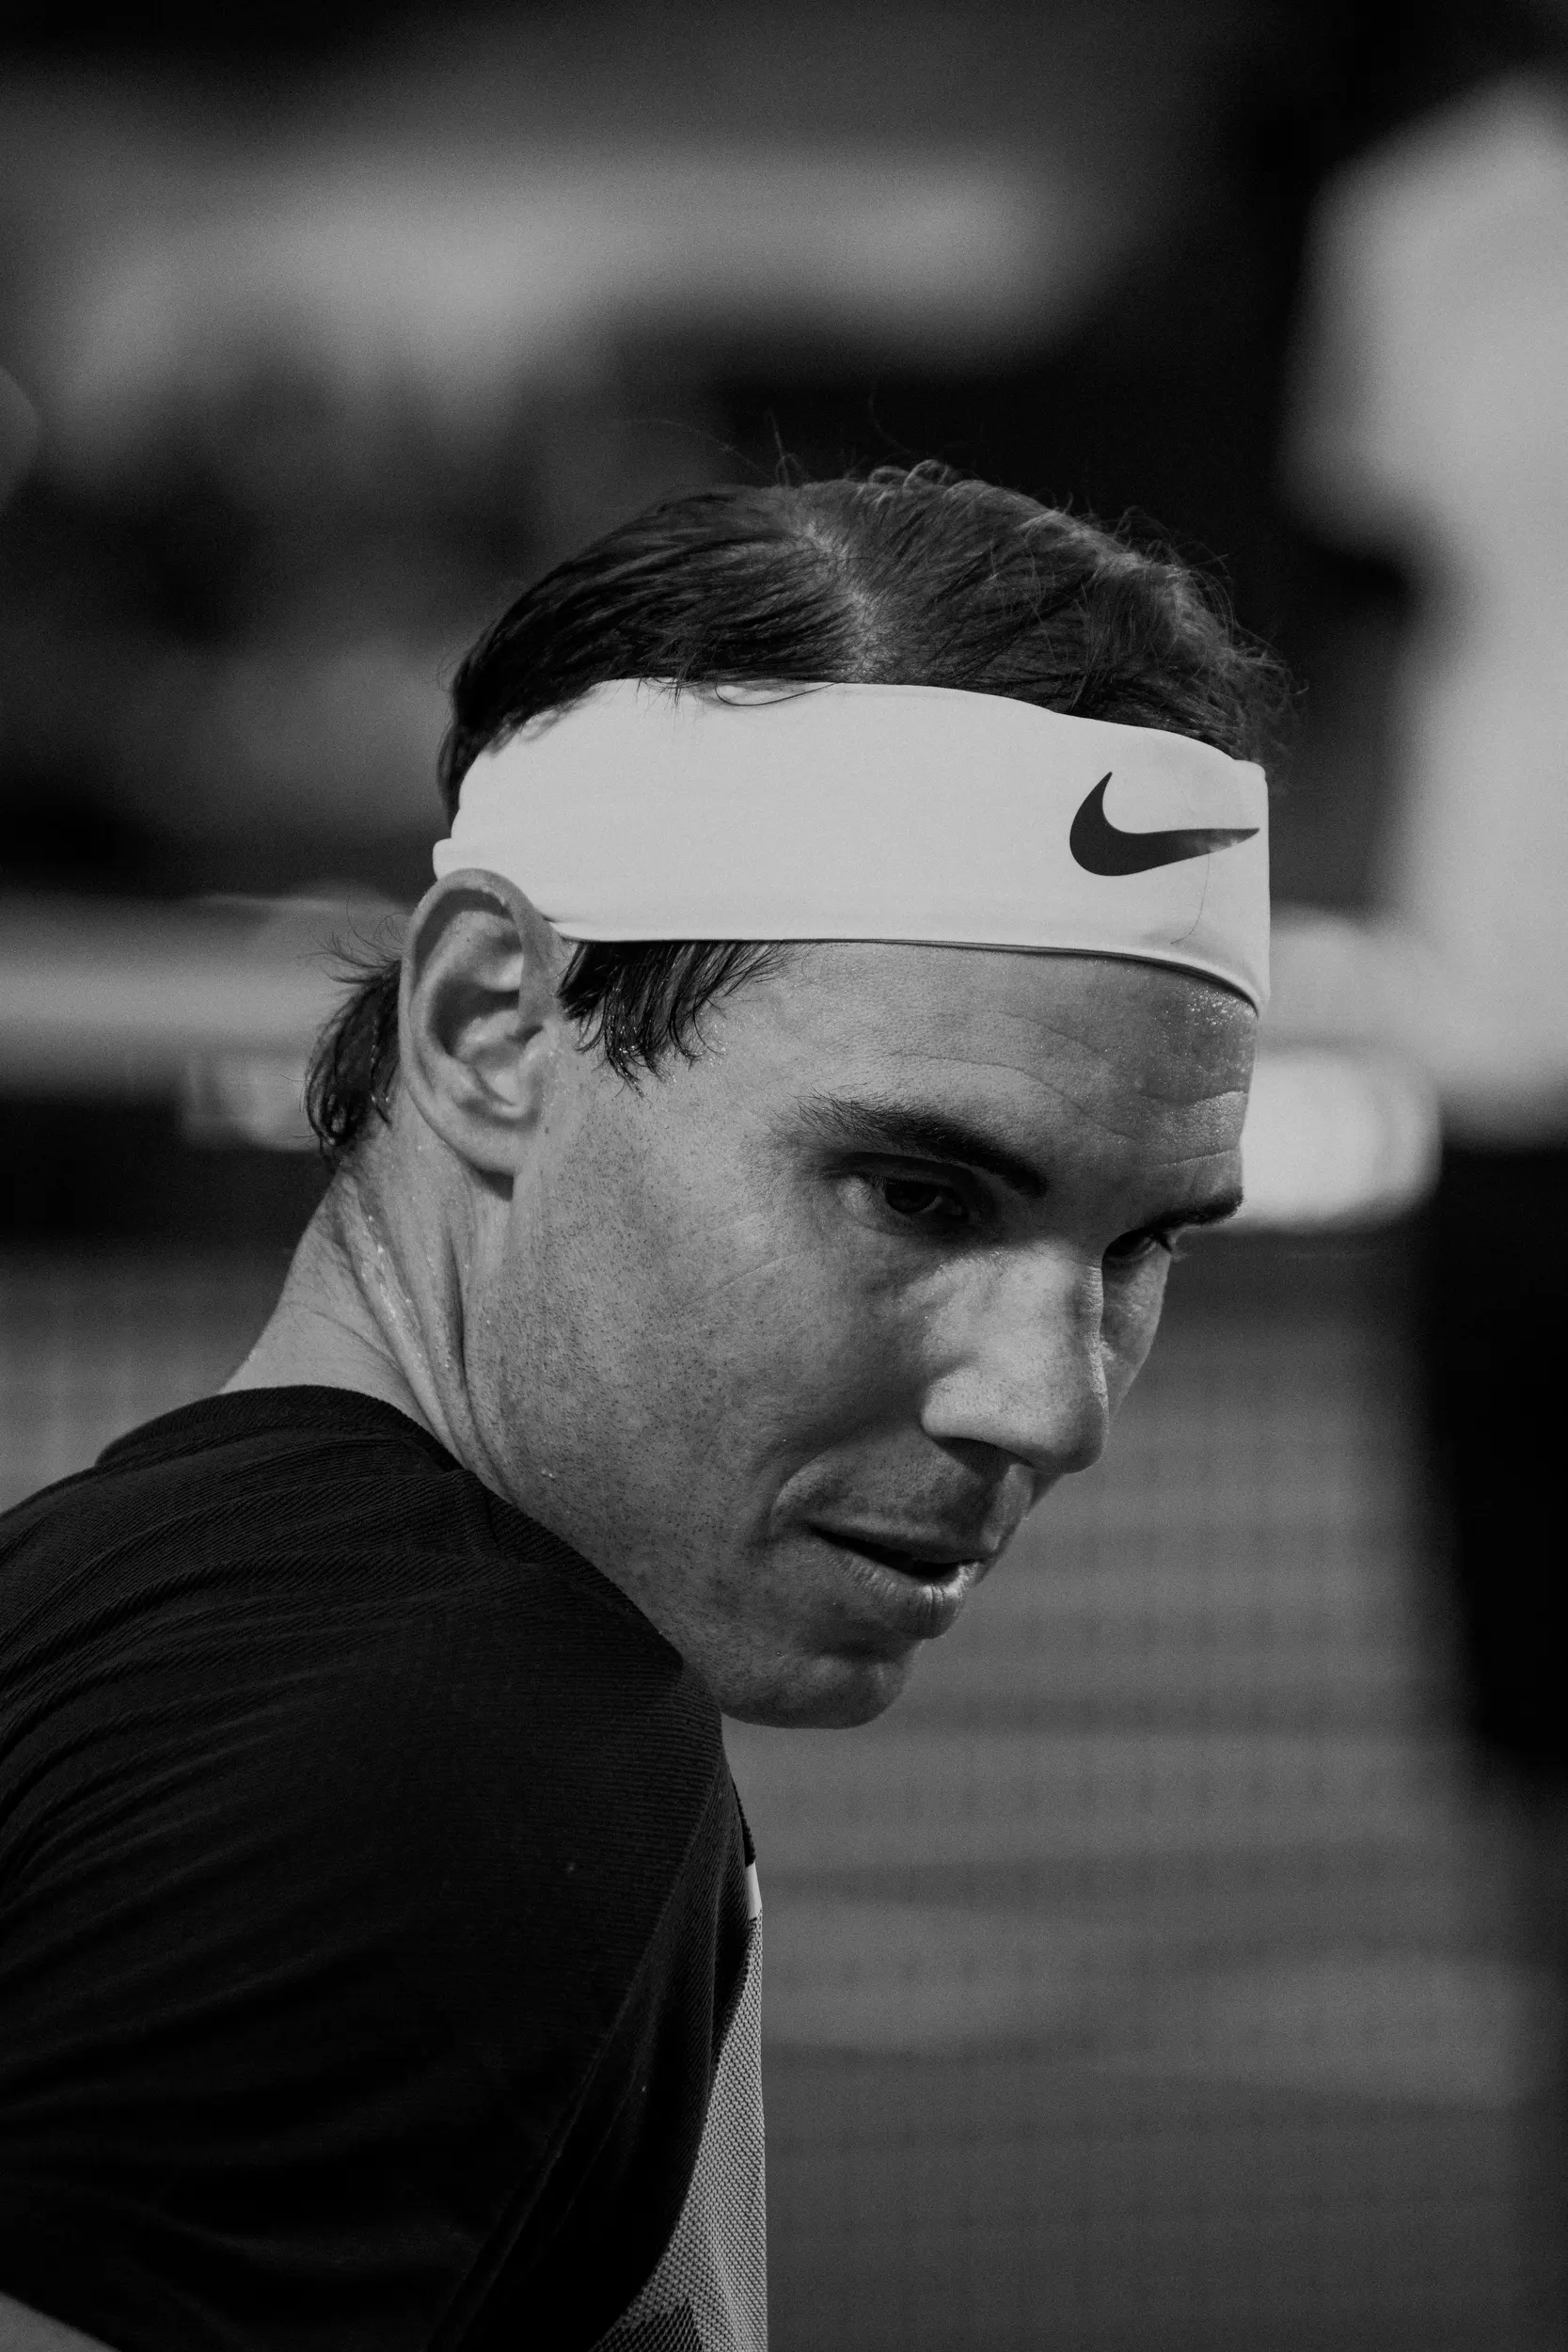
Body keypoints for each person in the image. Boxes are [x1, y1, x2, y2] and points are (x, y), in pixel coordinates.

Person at [0, 465, 1277, 2352]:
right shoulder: (451, 1764)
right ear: (488, 1027)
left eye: (1141, 1242)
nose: (1051, 1401)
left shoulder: (118, 1603)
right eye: (916, 1192)